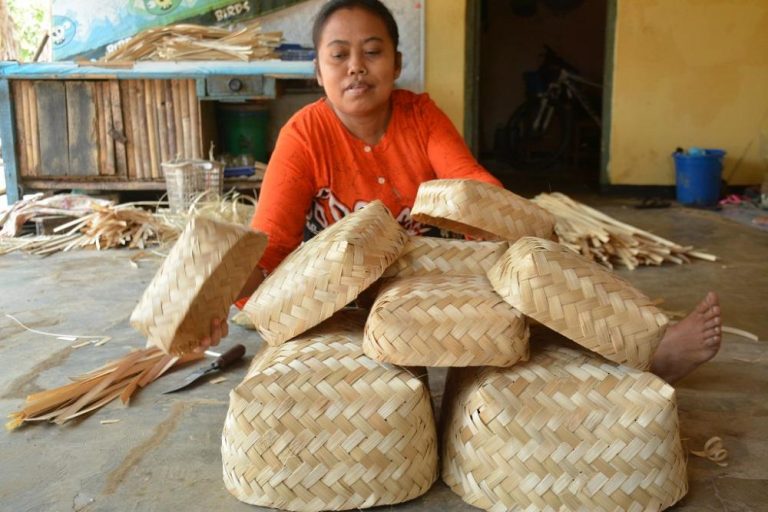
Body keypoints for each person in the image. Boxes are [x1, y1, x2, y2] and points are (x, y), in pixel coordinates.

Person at [200, 0, 722, 384]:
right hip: (341, 298)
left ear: (397, 65)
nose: (356, 66)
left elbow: (474, 185)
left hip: (431, 280)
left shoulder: (419, 115)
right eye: (339, 55)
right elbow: (269, 245)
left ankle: (652, 349)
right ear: (318, 72)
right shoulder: (303, 135)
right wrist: (220, 299)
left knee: (533, 269)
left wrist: (515, 235)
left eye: (373, 51)